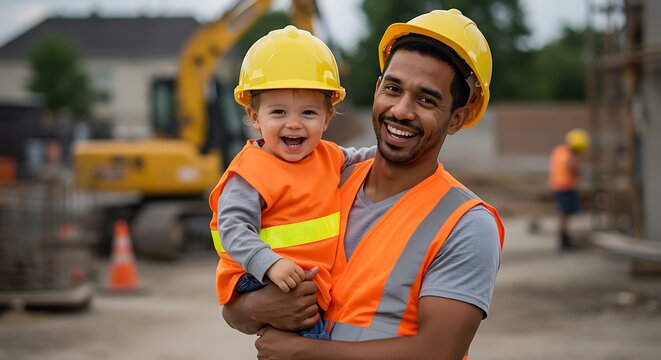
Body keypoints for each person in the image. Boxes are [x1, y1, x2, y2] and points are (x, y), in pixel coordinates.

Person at [222, 9, 505, 360]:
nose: (401, 110)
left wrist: (305, 351)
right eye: (393, 89)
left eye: (426, 99)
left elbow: (438, 352)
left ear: (457, 118)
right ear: (377, 89)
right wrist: (257, 308)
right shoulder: (324, 176)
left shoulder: (466, 224)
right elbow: (233, 309)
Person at [208, 25, 375, 339]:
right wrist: (270, 264)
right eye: (279, 112)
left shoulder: (329, 155)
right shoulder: (250, 172)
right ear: (255, 117)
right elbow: (233, 229)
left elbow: (363, 157)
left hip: (298, 273)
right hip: (257, 273)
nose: (294, 123)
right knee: (309, 335)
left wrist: (394, 151)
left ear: (327, 119)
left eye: (309, 112)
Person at [548, 128, 590, 251]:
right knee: (565, 215)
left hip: (560, 186)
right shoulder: (569, 155)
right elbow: (572, 168)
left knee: (565, 214)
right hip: (565, 187)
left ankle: (565, 239)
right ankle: (564, 241)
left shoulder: (559, 150)